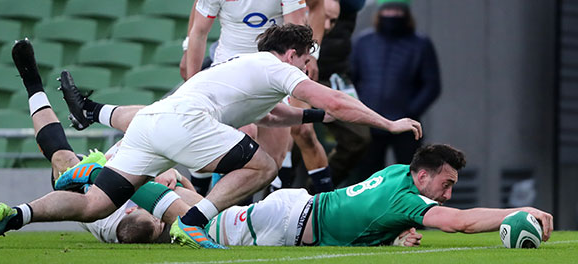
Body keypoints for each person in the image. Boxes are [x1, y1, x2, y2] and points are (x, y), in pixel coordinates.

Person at [0, 24, 421, 250]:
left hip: (153, 122)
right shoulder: (275, 66)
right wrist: (390, 123)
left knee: (94, 204)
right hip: (184, 124)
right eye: (306, 60)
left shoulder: (251, 70)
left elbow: (284, 115)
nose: (307, 68)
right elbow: (336, 101)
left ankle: (14, 214)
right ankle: (193, 220)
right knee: (260, 165)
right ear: (294, 53)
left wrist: (322, 116)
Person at [135, 144, 554, 247]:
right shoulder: (407, 199)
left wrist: (390, 236)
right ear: (422, 176)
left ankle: (145, 182)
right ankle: (107, 175)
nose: (447, 194)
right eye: (445, 185)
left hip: (296, 212)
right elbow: (460, 223)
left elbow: (364, 214)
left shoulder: (396, 173)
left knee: (194, 215)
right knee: (181, 226)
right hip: (288, 223)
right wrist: (517, 211)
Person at [184, 0, 332, 194]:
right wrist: (192, 81)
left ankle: (251, 210)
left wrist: (294, 75)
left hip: (272, 66)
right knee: (245, 133)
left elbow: (295, 33)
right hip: (230, 65)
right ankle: (208, 203)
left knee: (273, 160)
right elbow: (198, 32)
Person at [292, 0, 372, 187]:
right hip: (295, 72)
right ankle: (278, 203)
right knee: (290, 141)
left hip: (333, 73)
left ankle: (314, 193)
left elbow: (355, 0)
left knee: (358, 138)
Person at [351, 0, 441, 181]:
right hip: (370, 121)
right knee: (368, 178)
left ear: (406, 14)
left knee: (411, 176)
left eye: (397, 11)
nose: (392, 15)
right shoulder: (363, 42)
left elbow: (432, 85)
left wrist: (409, 111)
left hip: (407, 125)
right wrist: (362, 109)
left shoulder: (421, 44)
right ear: (379, 12)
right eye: (388, 10)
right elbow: (351, 78)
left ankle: (408, 211)